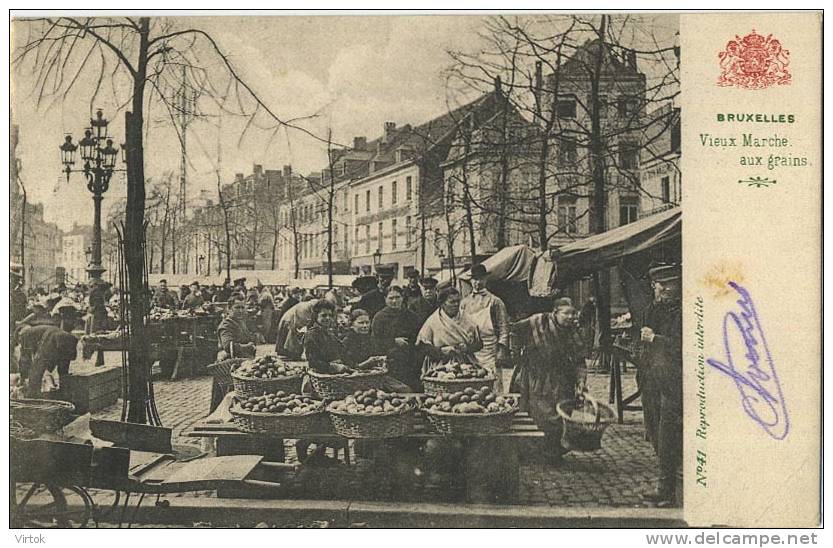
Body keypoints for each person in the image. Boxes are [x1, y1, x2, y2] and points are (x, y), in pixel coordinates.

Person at [509, 297, 587, 466]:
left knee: (562, 414)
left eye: (573, 313)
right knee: (540, 415)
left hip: (562, 378)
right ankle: (533, 452)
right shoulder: (538, 321)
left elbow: (580, 359)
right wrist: (516, 354)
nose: (570, 317)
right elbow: (514, 330)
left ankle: (554, 452)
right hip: (536, 376)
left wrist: (581, 382)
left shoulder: (573, 331)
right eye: (566, 313)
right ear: (555, 313)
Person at [638, 265, 682, 506]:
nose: (662, 289)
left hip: (674, 381)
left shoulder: (684, 311)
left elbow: (682, 345)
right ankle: (665, 487)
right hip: (654, 380)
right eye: (658, 285)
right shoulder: (657, 308)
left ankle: (668, 489)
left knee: (668, 435)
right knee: (655, 432)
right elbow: (645, 325)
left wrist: (655, 338)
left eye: (668, 284)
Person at [460, 264, 511, 393]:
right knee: (470, 383)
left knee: (491, 384)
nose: (477, 282)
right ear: (471, 280)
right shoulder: (464, 303)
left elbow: (504, 328)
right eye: (474, 279)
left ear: (486, 279)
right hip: (470, 349)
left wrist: (501, 350)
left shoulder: (495, 302)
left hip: (489, 349)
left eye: (480, 279)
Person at [19, 301, 80, 398]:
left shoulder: (27, 335)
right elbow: (36, 363)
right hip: (54, 339)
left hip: (52, 339)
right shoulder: (29, 334)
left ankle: (33, 394)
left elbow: (62, 365)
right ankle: (34, 395)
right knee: (48, 368)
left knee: (39, 368)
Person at [371, 286, 421, 389]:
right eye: (391, 298)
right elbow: (375, 341)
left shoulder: (412, 316)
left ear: (402, 298)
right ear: (385, 299)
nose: (394, 301)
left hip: (410, 361)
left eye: (397, 297)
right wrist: (393, 341)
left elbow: (419, 337)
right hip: (390, 362)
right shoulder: (379, 318)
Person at [416, 287, 483, 364]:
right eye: (452, 302)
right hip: (440, 364)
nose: (456, 304)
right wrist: (440, 351)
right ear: (442, 304)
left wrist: (467, 348)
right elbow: (421, 346)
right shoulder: (433, 322)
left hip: (466, 362)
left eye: (458, 301)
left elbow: (479, 344)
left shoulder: (467, 319)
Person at [303, 300, 353, 374]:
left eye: (330, 315)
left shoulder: (330, 333)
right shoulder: (311, 335)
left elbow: (343, 352)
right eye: (324, 315)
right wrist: (332, 366)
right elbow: (313, 362)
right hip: (321, 375)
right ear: (316, 316)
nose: (328, 318)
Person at [216, 295, 258, 361]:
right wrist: (247, 347)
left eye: (242, 307)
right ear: (229, 309)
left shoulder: (241, 322)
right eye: (237, 308)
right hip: (230, 363)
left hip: (245, 360)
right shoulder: (226, 325)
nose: (241, 311)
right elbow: (228, 347)